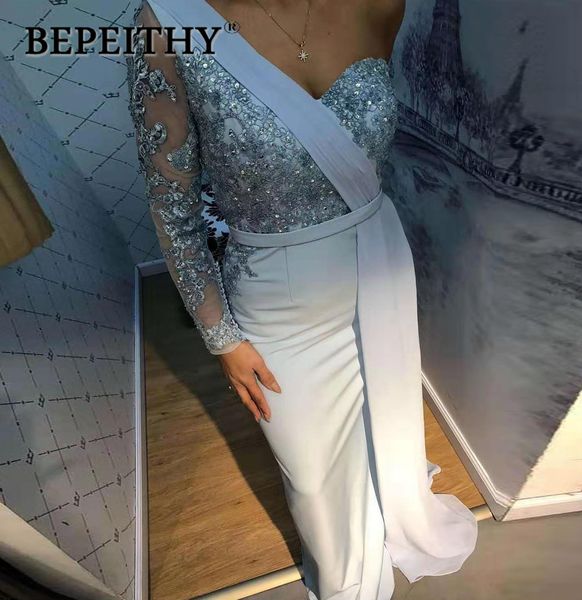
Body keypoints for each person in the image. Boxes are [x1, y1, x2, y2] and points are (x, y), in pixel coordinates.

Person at [126, 0, 478, 598]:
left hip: (378, 261)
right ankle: (346, 583)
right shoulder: (167, 23)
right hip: (275, 295)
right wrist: (221, 337)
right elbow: (171, 206)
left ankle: (393, 508)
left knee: (386, 414)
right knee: (311, 476)